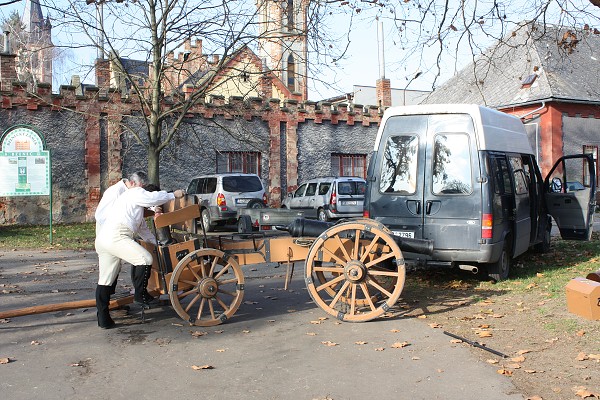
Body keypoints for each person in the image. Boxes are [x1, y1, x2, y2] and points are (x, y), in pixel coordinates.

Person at [94, 182, 185, 329]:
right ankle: (140, 295)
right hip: (116, 236)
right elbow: (154, 198)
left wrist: (158, 245)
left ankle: (103, 319)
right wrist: (173, 194)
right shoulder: (135, 192)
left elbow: (145, 233)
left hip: (104, 238)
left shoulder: (133, 208)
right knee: (145, 258)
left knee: (106, 280)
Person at [94, 172, 148, 299]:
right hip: (110, 234)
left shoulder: (127, 191)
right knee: (113, 268)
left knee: (112, 270)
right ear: (133, 183)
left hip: (113, 233)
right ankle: (115, 300)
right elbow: (100, 215)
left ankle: (111, 301)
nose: (141, 191)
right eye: (141, 187)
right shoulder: (116, 192)